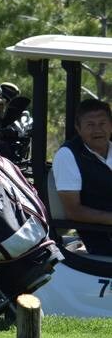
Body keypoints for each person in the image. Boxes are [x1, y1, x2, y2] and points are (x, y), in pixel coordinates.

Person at [51, 97, 112, 255]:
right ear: (78, 128)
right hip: (102, 236)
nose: (97, 130)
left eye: (102, 123)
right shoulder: (68, 155)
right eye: (90, 125)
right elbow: (74, 211)